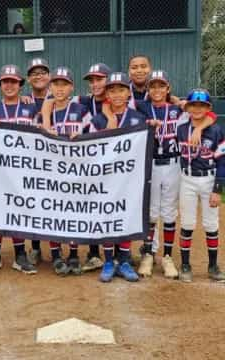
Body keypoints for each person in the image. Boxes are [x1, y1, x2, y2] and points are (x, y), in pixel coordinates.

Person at [134, 71, 215, 278]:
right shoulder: (142, 107)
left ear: (168, 88)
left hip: (173, 165)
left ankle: (167, 256)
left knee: (169, 211)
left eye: (162, 86)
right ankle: (149, 254)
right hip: (150, 163)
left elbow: (209, 115)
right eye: (153, 86)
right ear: (148, 89)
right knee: (152, 211)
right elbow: (113, 106)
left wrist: (198, 129)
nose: (157, 90)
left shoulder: (178, 110)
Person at [89, 72, 146, 283]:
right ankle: (108, 260)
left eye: (121, 89)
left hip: (130, 177)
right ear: (107, 94)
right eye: (112, 90)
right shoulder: (97, 119)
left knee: (126, 216)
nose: (117, 94)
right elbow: (90, 148)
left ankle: (124, 260)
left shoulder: (138, 118)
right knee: (107, 216)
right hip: (105, 178)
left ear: (128, 92)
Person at [0, 64, 38, 275]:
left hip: (23, 170)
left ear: (20, 85)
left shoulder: (30, 107)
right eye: (5, 82)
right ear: (0, 85)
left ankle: (20, 254)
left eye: (13, 82)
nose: (9, 85)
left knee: (19, 209)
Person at [41, 66, 92, 276]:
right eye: (56, 84)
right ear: (50, 86)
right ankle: (55, 255)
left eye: (64, 84)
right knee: (53, 211)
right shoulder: (46, 111)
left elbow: (95, 135)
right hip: (52, 171)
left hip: (76, 170)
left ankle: (73, 253)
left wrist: (81, 137)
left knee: (73, 211)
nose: (60, 88)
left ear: (71, 87)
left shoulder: (80, 110)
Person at [176, 89, 225, 282]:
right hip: (187, 179)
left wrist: (217, 189)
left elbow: (222, 161)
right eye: (193, 105)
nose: (197, 109)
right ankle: (185, 264)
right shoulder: (181, 129)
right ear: (187, 107)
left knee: (211, 224)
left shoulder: (216, 130)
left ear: (208, 108)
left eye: (202, 105)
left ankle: (213, 266)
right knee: (187, 223)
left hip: (209, 179)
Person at [23, 57, 51, 265]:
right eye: (34, 73)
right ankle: (35, 248)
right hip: (32, 161)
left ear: (49, 77)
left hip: (55, 160)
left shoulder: (64, 98)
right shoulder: (24, 102)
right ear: (28, 79)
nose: (38, 76)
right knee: (33, 204)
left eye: (42, 72)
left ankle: (58, 248)